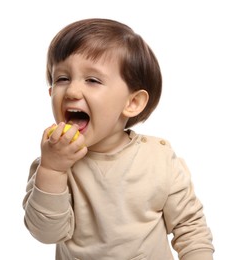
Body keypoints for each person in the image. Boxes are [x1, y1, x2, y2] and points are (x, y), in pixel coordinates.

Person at [23, 18, 214, 260]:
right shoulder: (50, 167)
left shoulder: (159, 159)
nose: (71, 91)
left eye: (92, 80)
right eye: (62, 78)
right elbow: (46, 233)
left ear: (132, 103)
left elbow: (190, 229)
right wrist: (52, 170)